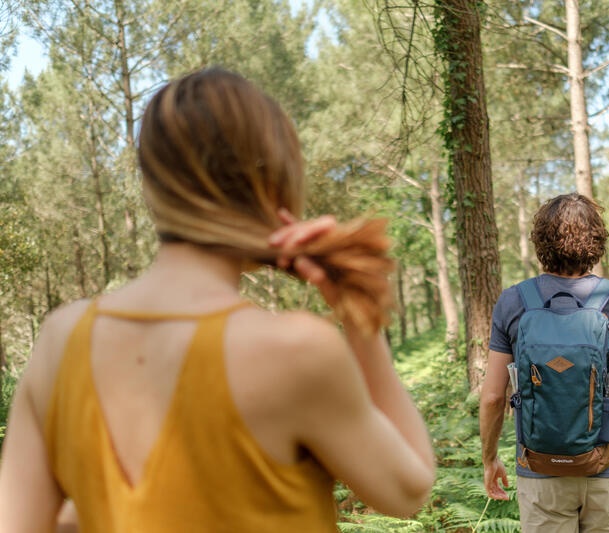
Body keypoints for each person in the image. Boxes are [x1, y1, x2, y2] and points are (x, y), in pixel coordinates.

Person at [0, 68, 435, 532]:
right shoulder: (294, 352)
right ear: (273, 185)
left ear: (153, 187)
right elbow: (408, 491)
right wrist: (363, 323)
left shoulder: (60, 340)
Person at [479, 193, 609, 532]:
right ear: (597, 241)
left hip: (540, 472)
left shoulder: (513, 302)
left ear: (540, 242)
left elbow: (493, 397)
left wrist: (489, 458)